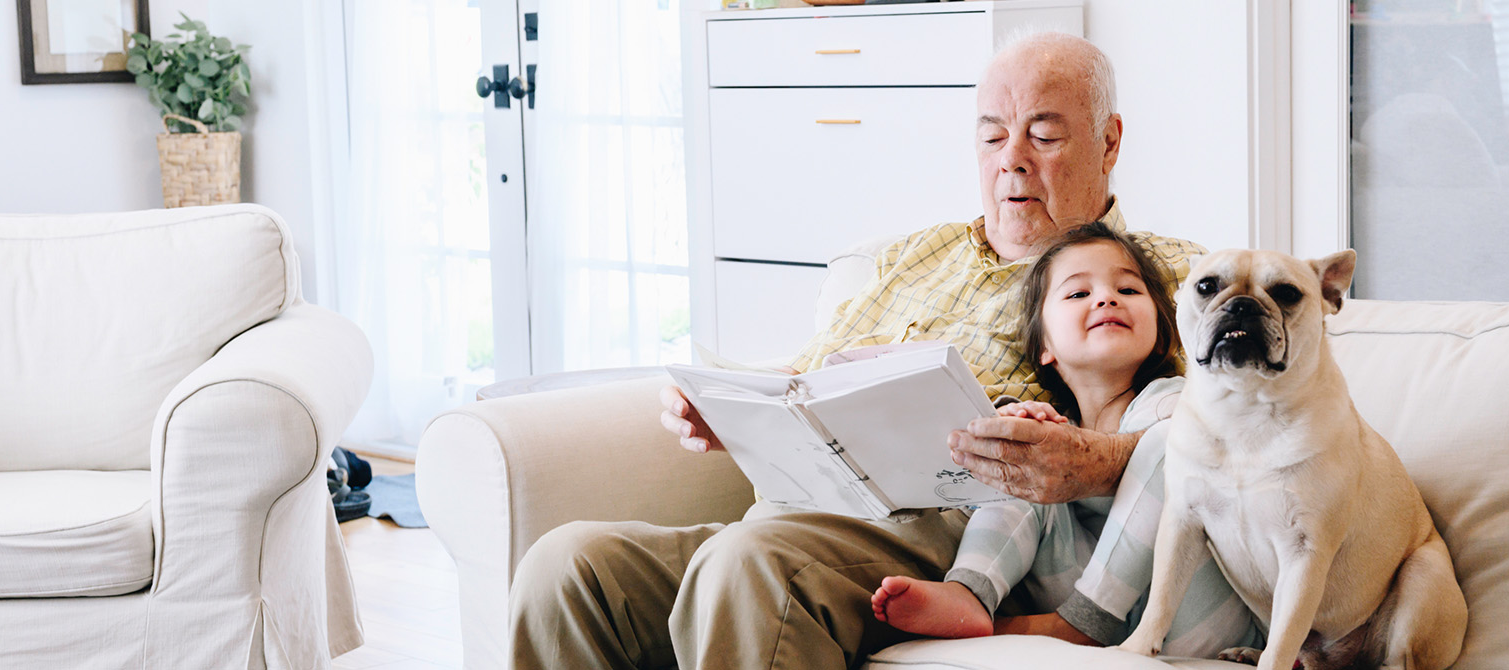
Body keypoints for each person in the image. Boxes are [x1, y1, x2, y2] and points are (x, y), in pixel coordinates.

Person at [510, 33, 1208, 670]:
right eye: (992, 136)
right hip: (794, 514)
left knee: (749, 565)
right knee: (566, 568)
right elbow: (802, 377)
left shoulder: (1160, 277)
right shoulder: (913, 255)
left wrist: (1096, 461)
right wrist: (731, 410)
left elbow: (1224, 435)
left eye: (1045, 135)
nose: (1012, 160)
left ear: (1109, 143)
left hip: (948, 533)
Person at [870, 223, 1261, 656]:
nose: (1106, 298)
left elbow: (1192, 440)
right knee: (1021, 465)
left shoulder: (1170, 398)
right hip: (1104, 603)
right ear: (1044, 346)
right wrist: (1020, 427)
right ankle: (970, 592)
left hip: (1200, 615)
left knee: (1177, 439)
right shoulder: (1056, 428)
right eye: (1078, 294)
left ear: (1160, 332)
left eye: (1128, 290)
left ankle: (1083, 622)